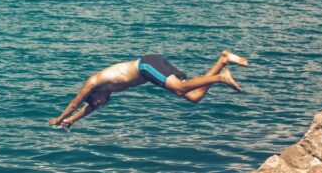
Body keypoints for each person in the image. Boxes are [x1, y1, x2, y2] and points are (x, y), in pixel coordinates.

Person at [47, 50, 249, 130]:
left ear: (93, 95)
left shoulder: (94, 82)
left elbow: (76, 103)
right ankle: (223, 60)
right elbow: (88, 108)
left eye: (96, 102)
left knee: (179, 89)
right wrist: (71, 121)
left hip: (146, 65)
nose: (99, 104)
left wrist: (59, 117)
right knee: (194, 96)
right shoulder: (103, 93)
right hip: (152, 68)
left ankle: (221, 78)